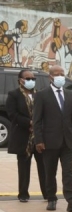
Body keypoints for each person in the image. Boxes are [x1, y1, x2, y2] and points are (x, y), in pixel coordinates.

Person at [33, 65, 72, 212]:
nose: (60, 76)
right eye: (57, 74)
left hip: (67, 141)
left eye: (62, 73)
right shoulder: (42, 95)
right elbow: (37, 120)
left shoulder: (70, 94)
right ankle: (51, 199)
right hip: (49, 141)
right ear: (50, 77)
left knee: (68, 171)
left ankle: (71, 201)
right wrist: (39, 140)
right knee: (50, 171)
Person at [6, 69, 46, 202]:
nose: (31, 81)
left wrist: (38, 124)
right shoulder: (14, 95)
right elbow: (12, 114)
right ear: (20, 80)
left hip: (39, 137)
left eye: (33, 79)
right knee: (24, 167)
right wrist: (29, 122)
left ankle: (47, 193)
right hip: (23, 136)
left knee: (44, 166)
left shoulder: (39, 95)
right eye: (28, 78)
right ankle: (23, 194)